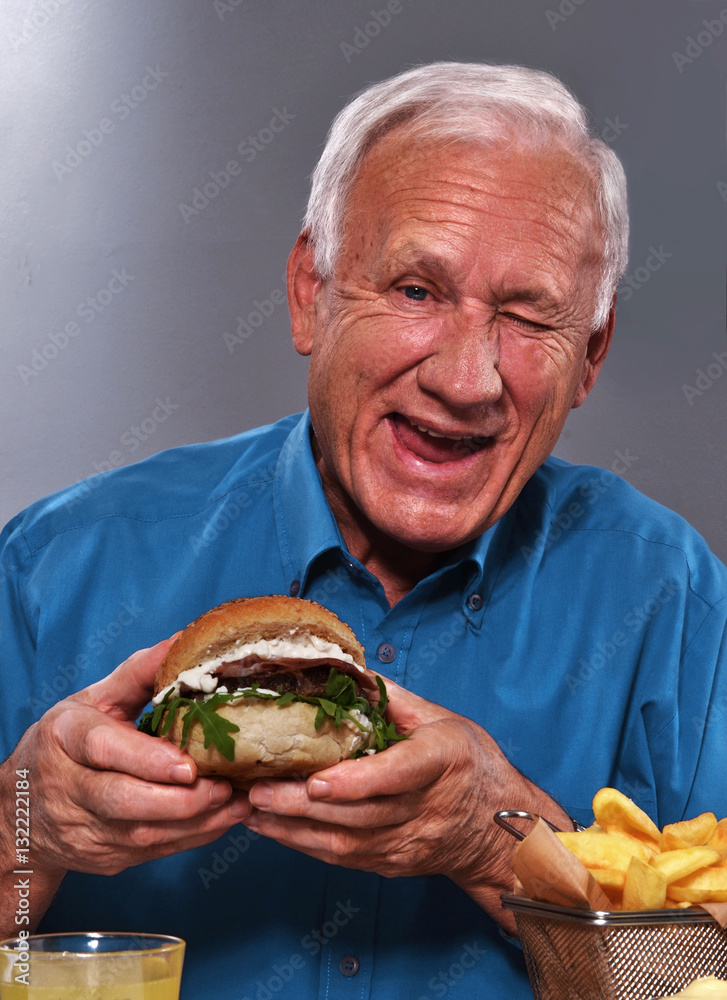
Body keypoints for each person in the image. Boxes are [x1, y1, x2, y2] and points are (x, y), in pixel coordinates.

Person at [1, 62, 726, 1000]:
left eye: (527, 315)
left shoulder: (671, 601)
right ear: (311, 292)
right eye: (417, 291)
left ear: (589, 357)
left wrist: (496, 840)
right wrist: (27, 828)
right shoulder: (56, 566)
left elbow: (698, 983)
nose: (467, 379)